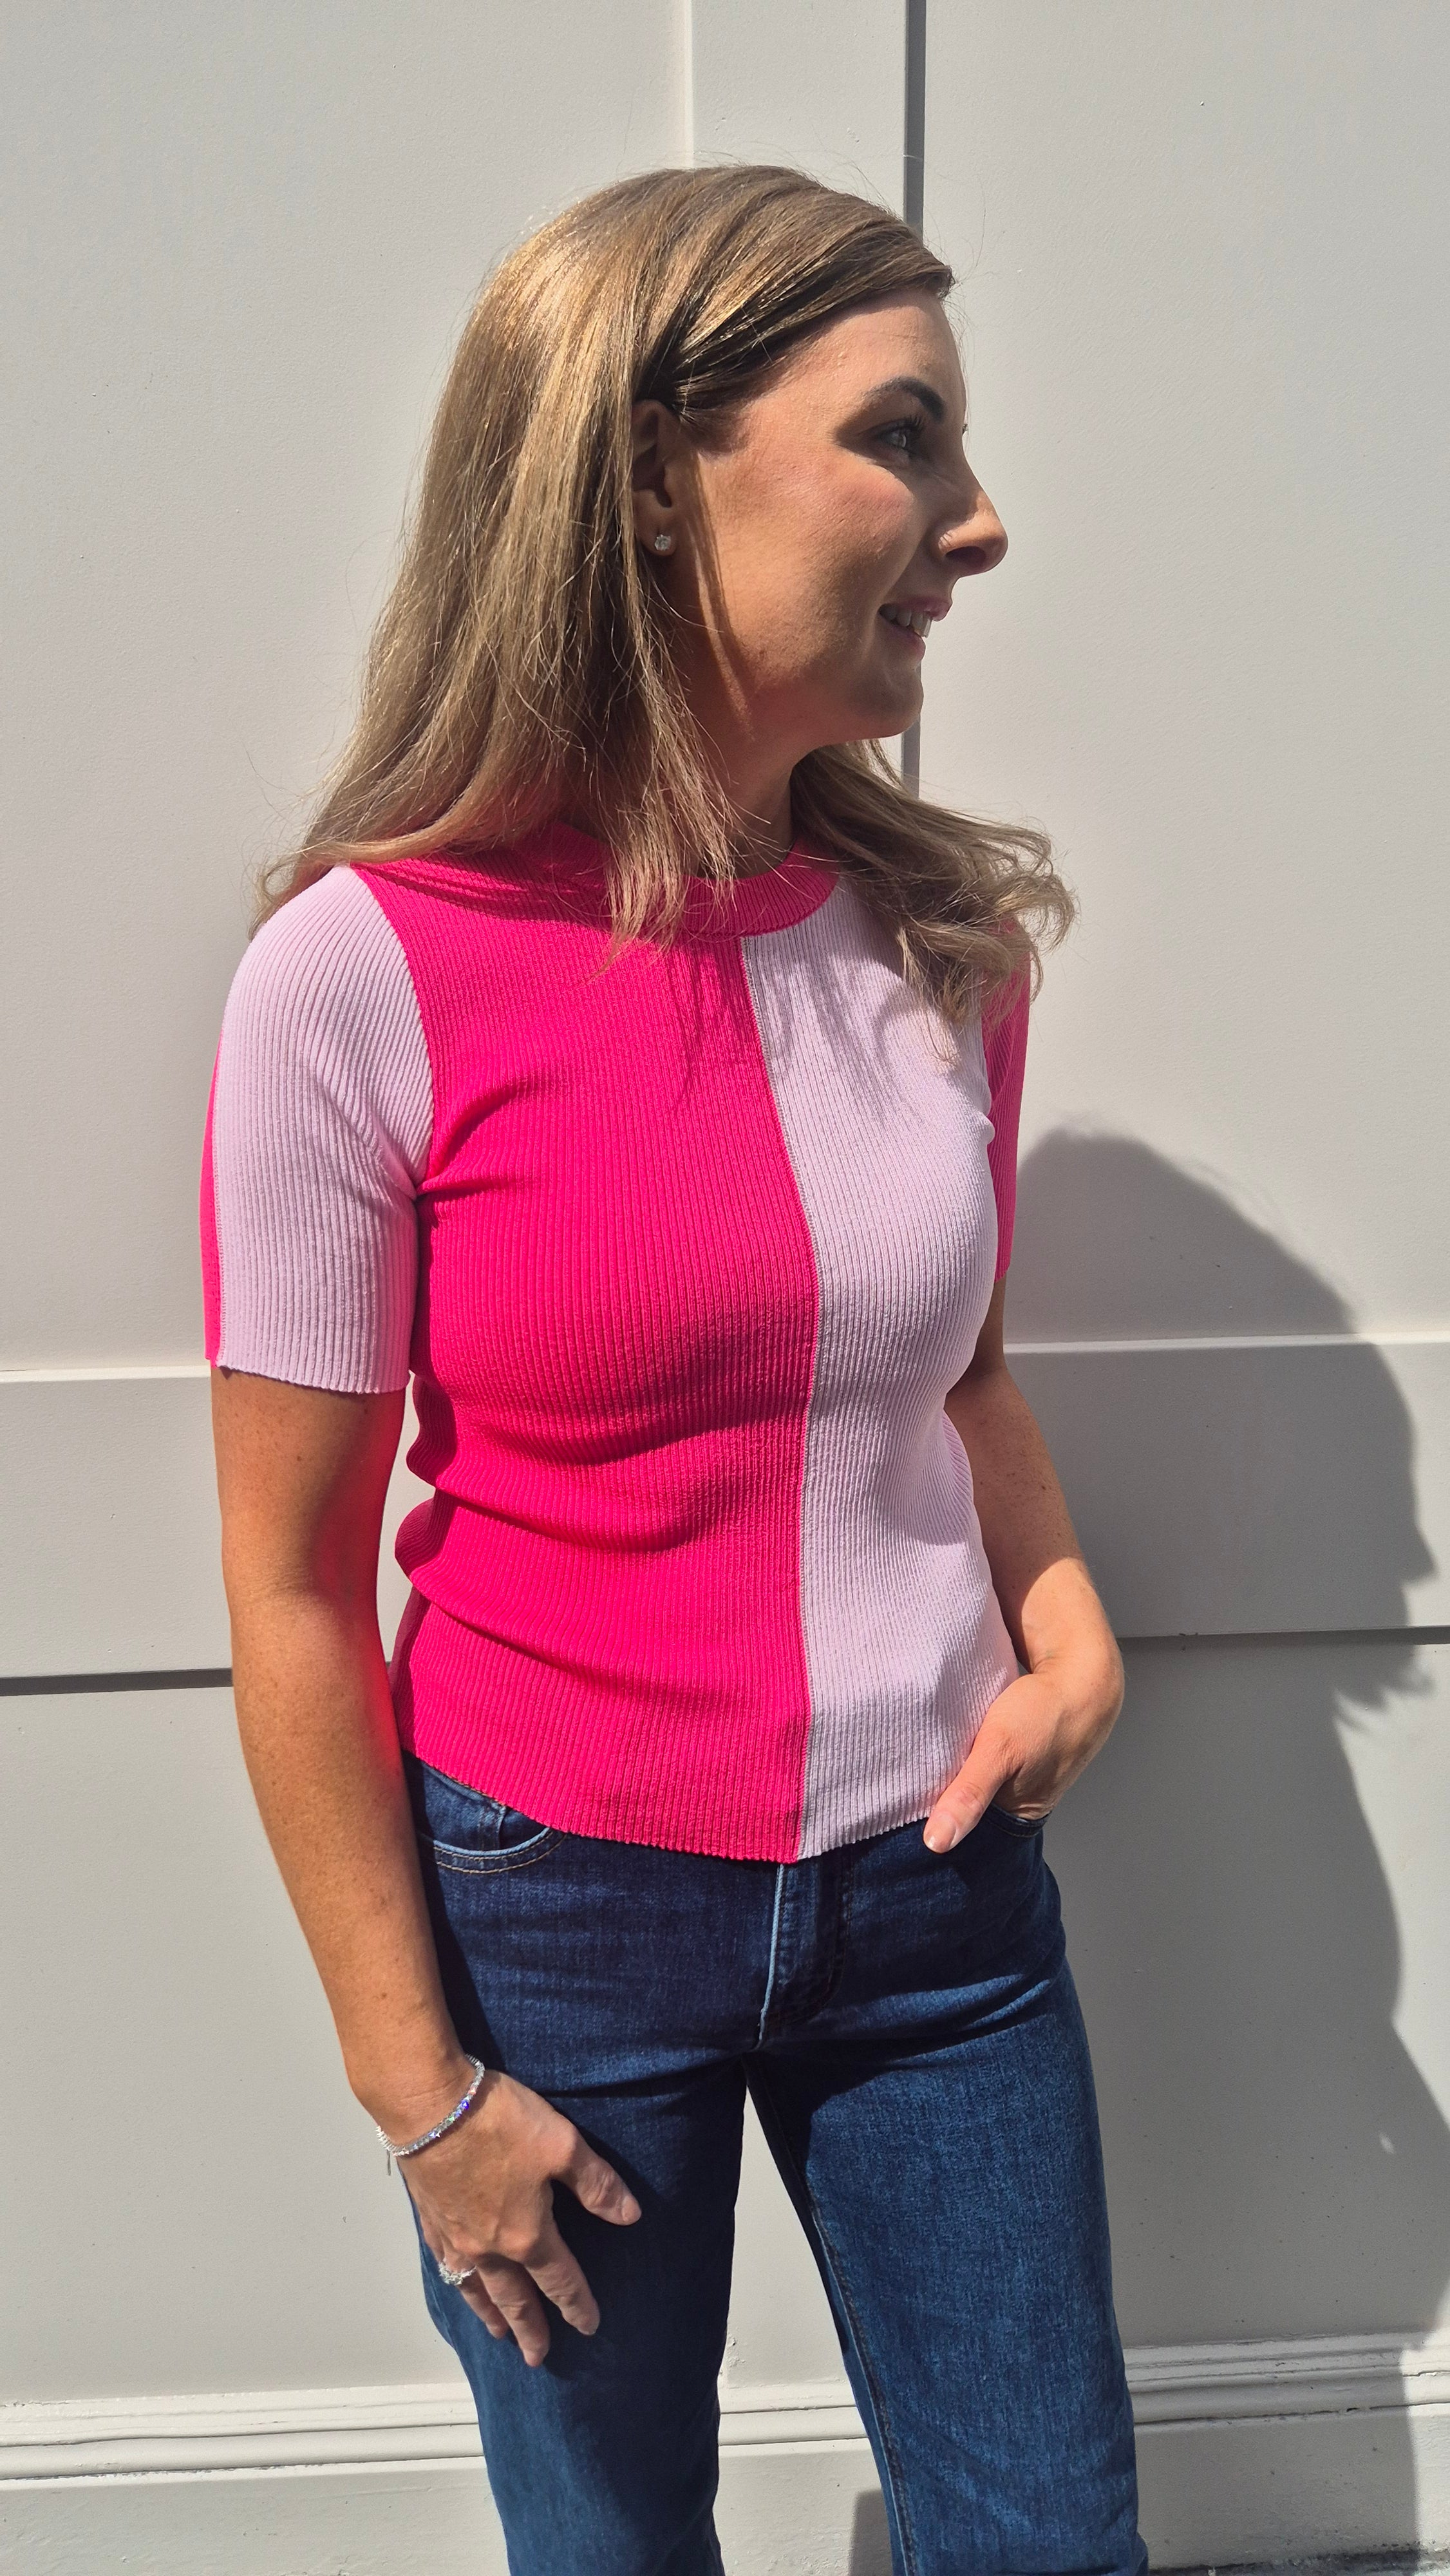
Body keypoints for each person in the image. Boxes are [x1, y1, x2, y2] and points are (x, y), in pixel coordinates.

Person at [203, 164, 1145, 2575]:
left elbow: (961, 1379)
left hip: (939, 1903)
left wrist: (1067, 1635)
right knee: (613, 2551)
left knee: (1047, 2539)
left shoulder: (939, 942)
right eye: (903, 438)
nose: (976, 519)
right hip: (560, 1911)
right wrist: (420, 2096)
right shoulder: (356, 976)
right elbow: (291, 1588)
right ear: (646, 472)